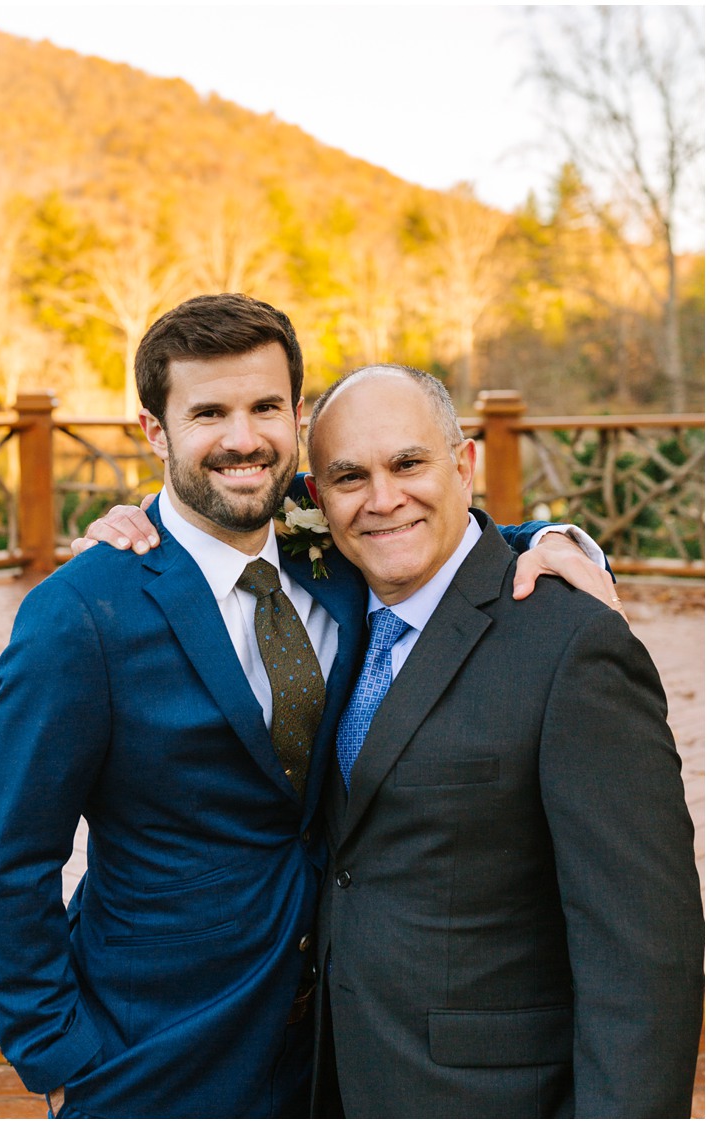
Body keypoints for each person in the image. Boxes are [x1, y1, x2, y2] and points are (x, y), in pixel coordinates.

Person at [0, 293, 615, 1119]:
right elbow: (5, 864)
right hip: (151, 1056)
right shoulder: (80, 617)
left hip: (328, 1054)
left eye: (265, 406)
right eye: (209, 413)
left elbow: (435, 530)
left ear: (298, 417)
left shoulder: (333, 562)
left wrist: (553, 540)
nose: (243, 438)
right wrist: (62, 1055)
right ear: (153, 433)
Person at [301, 365, 703, 1117]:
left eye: (409, 463)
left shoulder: (571, 645)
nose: (382, 499)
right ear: (319, 499)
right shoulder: (330, 615)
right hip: (343, 1084)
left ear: (465, 464)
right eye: (350, 477)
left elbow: (647, 952)